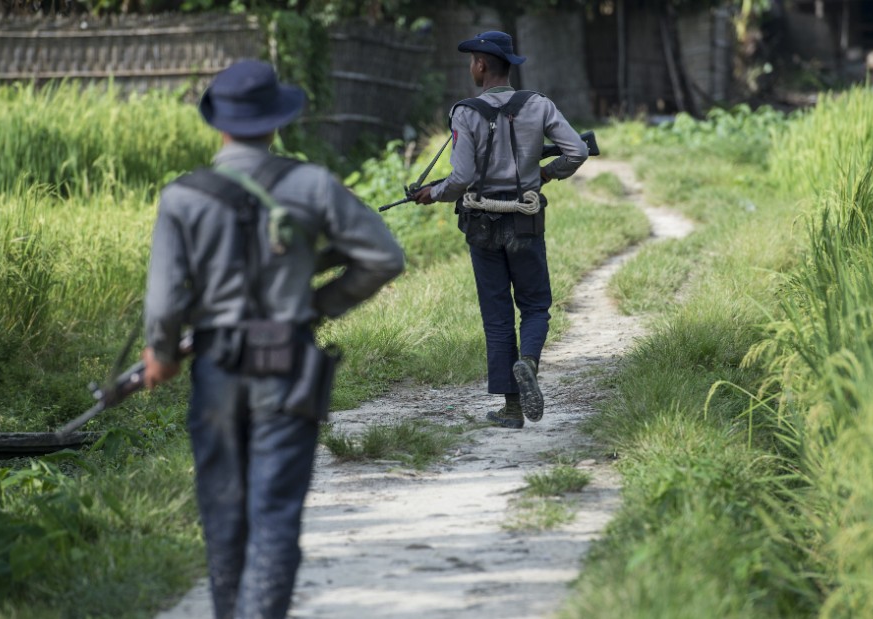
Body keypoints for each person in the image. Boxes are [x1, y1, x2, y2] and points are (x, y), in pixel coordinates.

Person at [141, 60, 405, 619]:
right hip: (288, 363)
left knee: (222, 512)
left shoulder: (181, 197)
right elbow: (383, 258)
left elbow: (163, 306)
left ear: (222, 126)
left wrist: (160, 356)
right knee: (276, 514)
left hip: (215, 368)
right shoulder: (310, 184)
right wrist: (318, 305)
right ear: (277, 122)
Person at [414, 31, 587, 430]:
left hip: (481, 223)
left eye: (471, 61)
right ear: (508, 65)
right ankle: (527, 362)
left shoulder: (465, 112)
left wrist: (432, 193)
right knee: (536, 305)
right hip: (524, 220)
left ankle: (511, 411)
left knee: (496, 314)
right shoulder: (539, 105)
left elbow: (461, 178)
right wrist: (545, 172)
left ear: (480, 65)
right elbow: (576, 151)